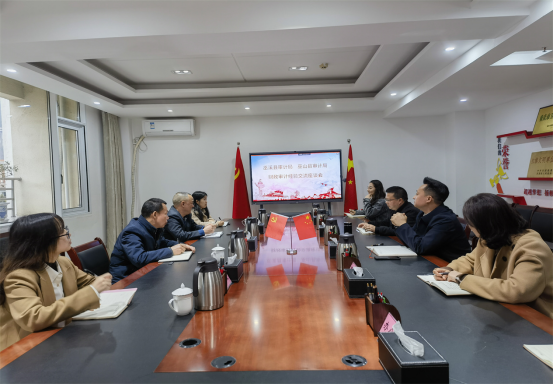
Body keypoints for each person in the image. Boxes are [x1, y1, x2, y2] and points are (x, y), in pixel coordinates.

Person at [0, 213, 112, 351]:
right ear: (44, 241)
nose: (68, 233)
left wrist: (101, 282)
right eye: (61, 231)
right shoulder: (18, 277)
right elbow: (34, 318)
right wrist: (92, 292)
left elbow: (88, 282)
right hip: (24, 350)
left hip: (60, 338)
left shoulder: (63, 262)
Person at [433, 193, 552, 318]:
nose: (469, 227)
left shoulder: (530, 247)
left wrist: (461, 278)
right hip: (501, 308)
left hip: (535, 317)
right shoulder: (490, 238)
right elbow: (471, 259)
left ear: (486, 225)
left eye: (471, 224)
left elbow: (517, 291)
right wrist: (449, 269)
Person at [109, 198, 194, 284]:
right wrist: (171, 251)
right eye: (165, 214)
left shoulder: (153, 228)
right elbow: (139, 258)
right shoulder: (132, 231)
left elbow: (162, 242)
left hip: (143, 272)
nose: (168, 217)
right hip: (126, 279)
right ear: (154, 215)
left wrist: (180, 245)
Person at [392, 177, 471, 262]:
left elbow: (421, 248)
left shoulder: (445, 220)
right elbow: (413, 239)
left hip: (446, 265)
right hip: (430, 258)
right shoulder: (422, 213)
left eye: (417, 194)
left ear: (429, 199)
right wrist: (398, 225)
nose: (414, 197)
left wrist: (402, 225)